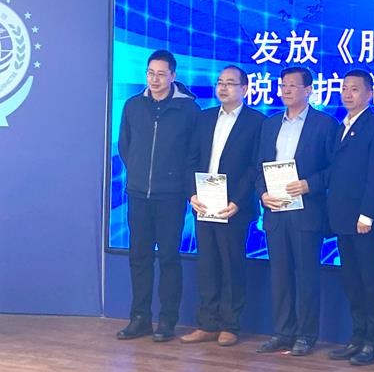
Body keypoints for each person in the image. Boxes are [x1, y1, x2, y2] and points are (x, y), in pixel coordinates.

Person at [116, 49, 200, 342]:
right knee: (138, 258)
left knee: (168, 259)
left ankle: (167, 321)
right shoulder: (133, 105)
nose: (155, 79)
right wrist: (138, 173)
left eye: (161, 74)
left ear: (173, 76)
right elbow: (125, 145)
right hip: (138, 194)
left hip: (171, 197)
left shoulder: (188, 110)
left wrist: (179, 184)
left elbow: (193, 154)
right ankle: (139, 318)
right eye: (150, 73)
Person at [180, 65, 265, 347]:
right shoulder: (204, 118)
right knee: (207, 264)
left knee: (231, 265)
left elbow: (255, 167)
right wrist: (192, 194)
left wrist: (237, 201)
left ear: (245, 88)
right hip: (204, 203)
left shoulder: (256, 122)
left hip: (233, 206)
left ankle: (230, 324)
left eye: (230, 83)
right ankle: (207, 323)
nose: (223, 87)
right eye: (220, 82)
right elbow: (191, 160)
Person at [255, 67, 338, 356]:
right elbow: (258, 167)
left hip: (307, 211)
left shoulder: (325, 124)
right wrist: (262, 194)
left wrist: (309, 184)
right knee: (280, 275)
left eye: (292, 85)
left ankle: (306, 335)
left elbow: (335, 169)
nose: (286, 90)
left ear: (309, 90)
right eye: (283, 85)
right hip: (276, 210)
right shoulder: (270, 124)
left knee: (306, 276)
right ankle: (283, 332)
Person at [326, 69, 374, 366]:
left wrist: (367, 215)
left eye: (354, 89)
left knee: (370, 281)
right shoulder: (340, 125)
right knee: (352, 281)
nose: (347, 94)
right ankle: (357, 336)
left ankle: (373, 342)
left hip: (366, 219)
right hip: (342, 217)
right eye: (344, 88)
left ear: (369, 93)